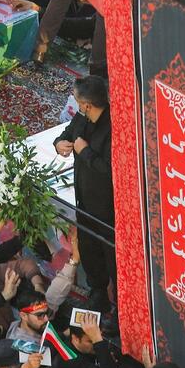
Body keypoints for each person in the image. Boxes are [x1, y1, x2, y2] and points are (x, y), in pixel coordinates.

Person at [54, 75, 114, 313]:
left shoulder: (112, 128)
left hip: (106, 206)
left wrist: (85, 151)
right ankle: (97, 292)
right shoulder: (82, 117)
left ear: (88, 104)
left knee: (110, 255)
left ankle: (118, 307)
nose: (78, 106)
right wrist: (60, 143)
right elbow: (68, 133)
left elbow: (110, 169)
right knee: (89, 250)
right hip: (84, 200)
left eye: (79, 102)